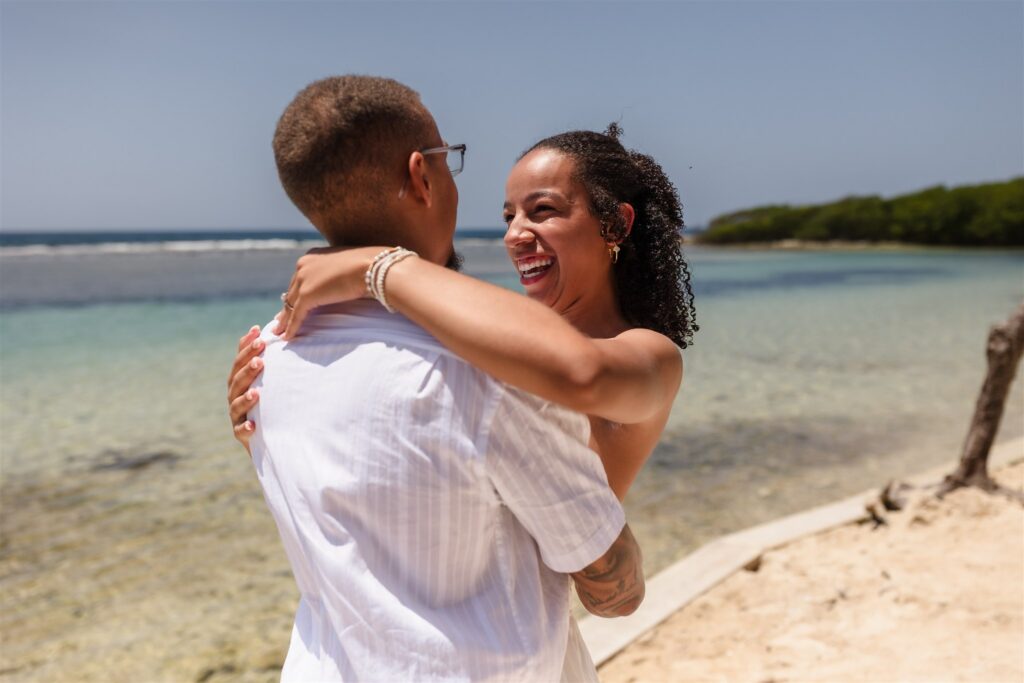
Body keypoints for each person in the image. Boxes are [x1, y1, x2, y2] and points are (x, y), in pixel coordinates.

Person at [235, 74, 645, 682]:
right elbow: (613, 589)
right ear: (420, 177)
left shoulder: (264, 355)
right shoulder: (487, 370)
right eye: (448, 160)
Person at [229, 125, 697, 502]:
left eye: (543, 210)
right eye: (509, 216)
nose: (516, 235)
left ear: (614, 224)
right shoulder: (501, 335)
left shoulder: (652, 356)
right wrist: (270, 424)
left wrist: (376, 266)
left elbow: (583, 376)